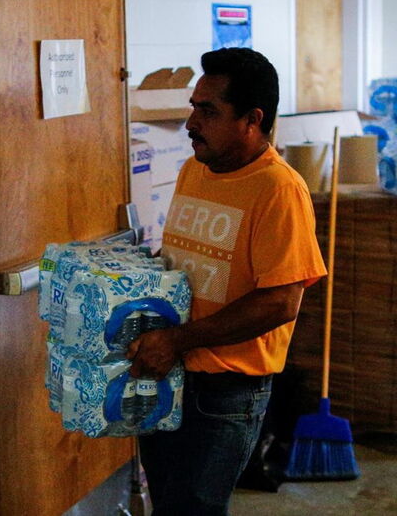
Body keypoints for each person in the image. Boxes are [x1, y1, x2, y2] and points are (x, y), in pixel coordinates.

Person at [127, 47, 327, 515]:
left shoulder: (279, 190)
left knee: (192, 509)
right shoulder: (195, 168)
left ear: (251, 120)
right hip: (169, 370)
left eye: (208, 111)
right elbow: (188, 257)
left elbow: (281, 302)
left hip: (224, 394)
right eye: (194, 107)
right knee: (168, 503)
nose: (191, 123)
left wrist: (177, 339)